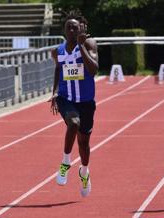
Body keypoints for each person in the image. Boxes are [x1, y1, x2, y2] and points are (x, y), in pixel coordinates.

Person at [50, 11, 98, 197]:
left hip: (86, 101)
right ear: (64, 30)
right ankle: (65, 162)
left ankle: (84, 172)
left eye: (75, 27)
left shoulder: (89, 44)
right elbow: (58, 70)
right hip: (65, 98)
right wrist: (54, 91)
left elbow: (93, 70)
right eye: (68, 27)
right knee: (74, 123)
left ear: (80, 30)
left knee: (84, 143)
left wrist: (81, 46)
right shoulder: (57, 51)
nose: (71, 30)